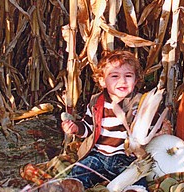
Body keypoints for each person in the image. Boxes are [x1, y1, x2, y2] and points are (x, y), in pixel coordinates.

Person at [61, 50, 148, 188]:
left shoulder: (140, 102)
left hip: (126, 158)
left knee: (136, 177)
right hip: (98, 156)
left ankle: (135, 189)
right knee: (80, 171)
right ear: (102, 81)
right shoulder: (97, 102)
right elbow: (88, 127)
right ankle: (72, 187)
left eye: (128, 76)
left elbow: (149, 126)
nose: (122, 81)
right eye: (114, 76)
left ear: (136, 80)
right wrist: (76, 128)